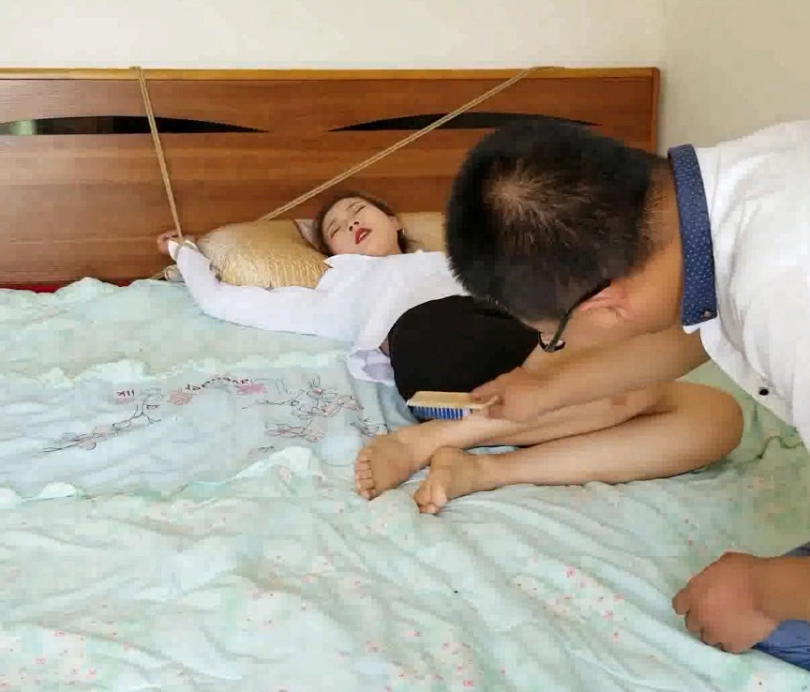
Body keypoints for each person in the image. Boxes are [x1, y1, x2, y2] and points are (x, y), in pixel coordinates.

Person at [441, 117, 810, 668]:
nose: (558, 348)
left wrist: (760, 590)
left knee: (753, 619)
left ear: (606, 303)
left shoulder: (783, 304)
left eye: (554, 337)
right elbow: (705, 325)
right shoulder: (748, 179)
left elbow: (746, 315)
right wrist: (546, 391)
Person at [156, 190, 742, 513]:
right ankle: (435, 437)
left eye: (360, 210)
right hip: (438, 350)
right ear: (331, 251)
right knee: (631, 394)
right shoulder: (341, 284)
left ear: (394, 219)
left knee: (718, 416)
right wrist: (186, 255)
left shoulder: (461, 259)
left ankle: (478, 466)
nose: (351, 222)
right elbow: (230, 302)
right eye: (335, 226)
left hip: (522, 340)